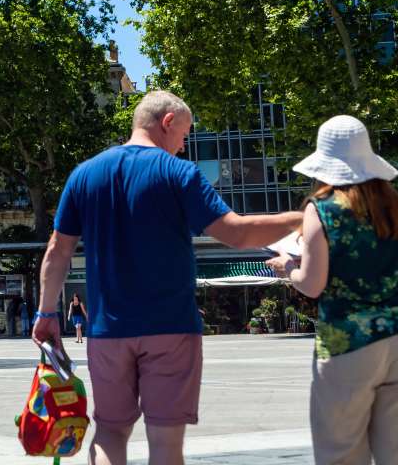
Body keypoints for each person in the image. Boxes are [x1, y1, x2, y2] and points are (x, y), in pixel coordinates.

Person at [34, 90, 303, 465]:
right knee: (165, 443)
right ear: (168, 122)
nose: (182, 146)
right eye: (184, 135)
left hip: (108, 331)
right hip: (171, 329)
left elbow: (57, 252)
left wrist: (46, 314)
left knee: (110, 431)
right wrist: (301, 219)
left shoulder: (84, 175)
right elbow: (236, 233)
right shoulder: (179, 174)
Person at [265, 115, 398, 464]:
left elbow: (313, 285)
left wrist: (288, 266)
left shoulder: (323, 210)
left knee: (341, 454)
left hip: (348, 343)